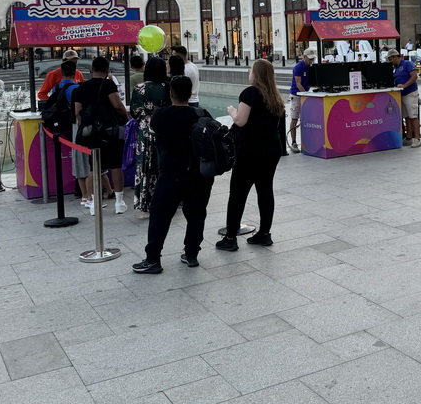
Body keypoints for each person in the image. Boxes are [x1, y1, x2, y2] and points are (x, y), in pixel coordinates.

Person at [132, 77, 215, 274]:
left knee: (160, 216)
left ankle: (153, 259)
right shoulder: (202, 114)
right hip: (198, 174)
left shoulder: (161, 115)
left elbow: (154, 133)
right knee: (196, 214)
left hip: (171, 173)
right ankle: (191, 253)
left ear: (171, 94)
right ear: (191, 92)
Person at [216, 59, 286, 251]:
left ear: (256, 74)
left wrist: (232, 111)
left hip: (250, 151)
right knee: (265, 190)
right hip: (271, 149)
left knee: (238, 193)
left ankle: (230, 238)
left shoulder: (250, 93)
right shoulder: (275, 96)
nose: (249, 73)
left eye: (250, 70)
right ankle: (264, 233)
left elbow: (240, 120)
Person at [73, 56, 130, 215]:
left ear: (91, 70)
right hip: (109, 131)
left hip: (92, 133)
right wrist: (125, 119)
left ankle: (93, 204)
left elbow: (78, 113)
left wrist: (88, 125)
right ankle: (119, 203)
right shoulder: (108, 84)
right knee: (115, 165)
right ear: (107, 70)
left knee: (94, 167)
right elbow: (117, 105)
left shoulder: (81, 88)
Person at [129, 57, 170, 219]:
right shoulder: (167, 87)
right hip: (164, 129)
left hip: (146, 130)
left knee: (145, 166)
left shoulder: (140, 88)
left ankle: (145, 204)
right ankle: (165, 201)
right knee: (162, 166)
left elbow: (134, 111)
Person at [388, 49, 421, 147]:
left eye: (390, 59)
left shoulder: (407, 64)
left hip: (410, 93)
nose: (390, 61)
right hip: (401, 94)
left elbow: (414, 76)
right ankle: (409, 137)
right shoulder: (395, 68)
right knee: (407, 116)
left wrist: (405, 85)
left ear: (394, 57)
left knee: (413, 116)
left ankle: (417, 138)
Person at [288, 47, 315, 152]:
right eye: (309, 59)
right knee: (294, 118)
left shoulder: (310, 67)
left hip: (304, 94)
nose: (311, 61)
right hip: (296, 95)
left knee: (305, 119)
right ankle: (294, 142)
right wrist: (306, 94)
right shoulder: (298, 67)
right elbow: (298, 83)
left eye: (312, 59)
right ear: (304, 57)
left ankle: (306, 141)